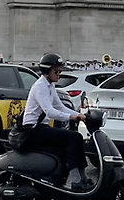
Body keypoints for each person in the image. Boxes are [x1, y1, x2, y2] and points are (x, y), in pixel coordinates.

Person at [21, 53, 90, 191]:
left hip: (41, 127)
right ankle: (76, 181)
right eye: (56, 71)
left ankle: (81, 177)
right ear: (47, 72)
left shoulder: (50, 86)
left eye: (60, 71)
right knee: (73, 137)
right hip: (32, 129)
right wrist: (71, 117)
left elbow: (60, 107)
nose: (59, 74)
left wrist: (79, 114)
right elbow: (49, 111)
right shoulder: (40, 87)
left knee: (76, 139)